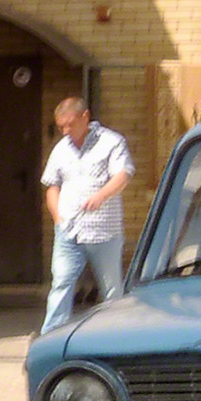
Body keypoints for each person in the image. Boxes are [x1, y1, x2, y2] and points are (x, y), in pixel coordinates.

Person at [39, 97, 134, 334]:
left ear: (85, 116)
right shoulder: (61, 149)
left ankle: (114, 336)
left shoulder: (111, 142)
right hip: (69, 231)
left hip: (104, 231)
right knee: (61, 283)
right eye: (61, 126)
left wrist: (101, 196)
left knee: (111, 288)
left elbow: (123, 175)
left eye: (70, 125)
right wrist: (58, 218)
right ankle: (52, 336)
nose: (65, 131)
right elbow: (52, 185)